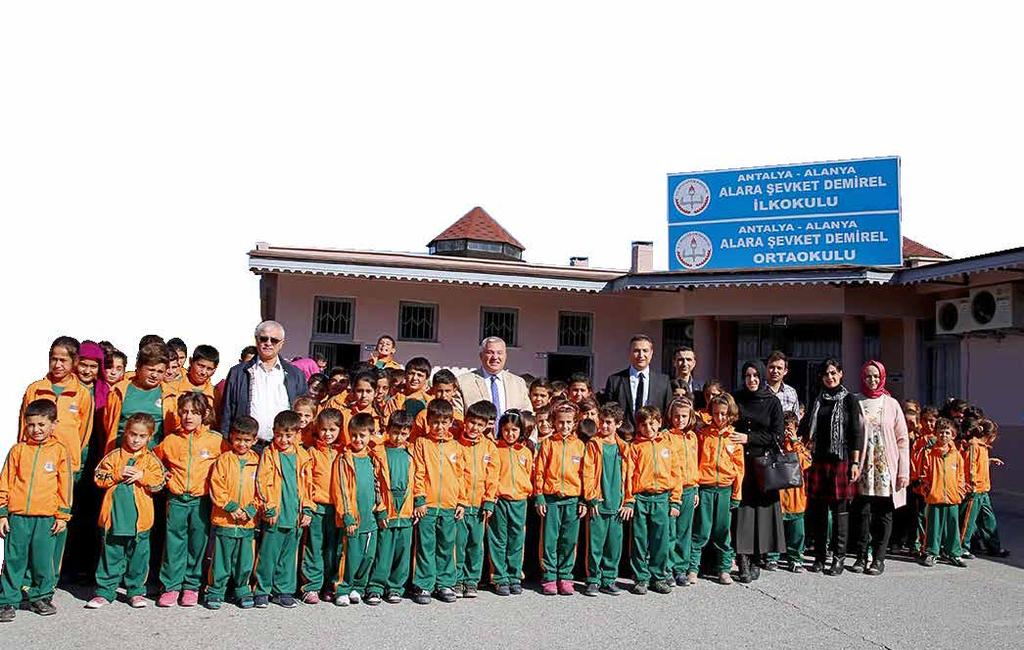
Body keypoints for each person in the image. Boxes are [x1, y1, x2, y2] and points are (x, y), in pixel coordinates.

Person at [0, 400, 72, 622]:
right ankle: (7, 600)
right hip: (18, 517)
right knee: (14, 560)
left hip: (46, 518)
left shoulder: (60, 451)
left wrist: (62, 515)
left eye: (42, 424)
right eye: (31, 425)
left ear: (53, 424)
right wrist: (2, 512)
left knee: (43, 560)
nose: (36, 429)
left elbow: (65, 486)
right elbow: (5, 482)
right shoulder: (17, 451)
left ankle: (41, 596)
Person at [87, 413, 165, 609]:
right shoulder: (113, 457)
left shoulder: (151, 460)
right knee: (111, 554)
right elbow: (99, 477)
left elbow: (160, 482)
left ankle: (136, 591)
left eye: (142, 436)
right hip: (114, 519)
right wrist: (117, 473)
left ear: (149, 437)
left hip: (140, 522)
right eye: (132, 434)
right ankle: (105, 590)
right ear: (125, 433)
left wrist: (142, 475)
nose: (136, 440)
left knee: (138, 557)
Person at [153, 393, 224, 607]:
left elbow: (230, 460)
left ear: (205, 414)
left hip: (201, 501)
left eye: (194, 412)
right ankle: (171, 586)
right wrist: (162, 474)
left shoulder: (216, 440)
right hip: (176, 499)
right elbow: (154, 460)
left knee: (197, 544)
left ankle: (191, 585)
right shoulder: (171, 440)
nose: (188, 417)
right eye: (184, 412)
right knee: (174, 543)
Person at [798, 358, 864, 576]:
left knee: (840, 512)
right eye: (826, 374)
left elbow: (855, 432)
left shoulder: (849, 400)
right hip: (818, 460)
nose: (830, 377)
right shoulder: (817, 399)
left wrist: (855, 463)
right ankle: (818, 556)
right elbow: (806, 427)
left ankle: (838, 557)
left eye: (834, 373)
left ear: (841, 374)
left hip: (841, 460)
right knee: (817, 511)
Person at [850, 360, 910, 576]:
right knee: (863, 512)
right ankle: (860, 555)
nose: (872, 380)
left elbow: (902, 439)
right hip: (863, 466)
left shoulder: (891, 404)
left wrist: (904, 471)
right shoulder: (855, 401)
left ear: (882, 377)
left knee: (884, 513)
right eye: (868, 376)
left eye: (876, 376)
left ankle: (879, 558)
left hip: (886, 466)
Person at [732, 360, 786, 582]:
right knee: (743, 512)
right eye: (747, 376)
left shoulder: (772, 402)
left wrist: (749, 438)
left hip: (763, 465)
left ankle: (757, 558)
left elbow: (777, 436)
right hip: (740, 465)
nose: (752, 380)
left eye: (755, 376)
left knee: (762, 513)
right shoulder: (737, 398)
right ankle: (742, 558)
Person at [254, 410, 314, 608]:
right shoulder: (270, 454)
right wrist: (268, 507)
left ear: (297, 434)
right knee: (268, 553)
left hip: (295, 513)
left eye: (288, 435)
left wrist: (307, 509)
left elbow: (308, 486)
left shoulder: (303, 456)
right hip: (276, 513)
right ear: (273, 432)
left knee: (289, 555)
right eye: (279, 434)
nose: (283, 439)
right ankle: (262, 589)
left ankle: (283, 590)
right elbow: (262, 482)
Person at [220, 321, 307, 449]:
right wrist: (226, 442)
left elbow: (303, 411)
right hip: (246, 448)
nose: (268, 343)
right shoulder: (238, 372)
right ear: (256, 340)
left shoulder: (295, 374)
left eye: (274, 340)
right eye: (264, 338)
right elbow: (227, 411)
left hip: (283, 449)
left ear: (282, 343)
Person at [411, 399, 463, 604]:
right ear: (427, 422)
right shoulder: (422, 444)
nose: (439, 427)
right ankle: (424, 584)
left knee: (446, 545)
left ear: (451, 422)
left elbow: (462, 476)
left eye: (443, 422)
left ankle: (445, 583)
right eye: (434, 422)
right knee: (426, 546)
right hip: (428, 505)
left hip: (450, 505)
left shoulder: (456, 446)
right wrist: (420, 499)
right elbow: (418, 472)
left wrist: (462, 501)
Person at [205, 416, 260, 610]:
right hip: (225, 519)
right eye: (238, 439)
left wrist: (251, 509)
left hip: (247, 521)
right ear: (231, 437)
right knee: (221, 557)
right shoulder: (223, 460)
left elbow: (264, 489)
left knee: (244, 558)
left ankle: (242, 588)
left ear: (254, 440)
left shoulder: (258, 462)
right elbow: (216, 486)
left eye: (247, 440)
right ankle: (216, 589)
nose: (242, 444)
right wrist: (231, 507)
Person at [625, 406, 681, 595]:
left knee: (661, 540)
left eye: (652, 423)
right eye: (644, 424)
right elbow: (629, 475)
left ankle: (658, 576)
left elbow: (676, 474)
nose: (648, 427)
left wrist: (675, 500)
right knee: (639, 540)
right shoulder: (635, 447)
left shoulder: (667, 446)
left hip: (662, 498)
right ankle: (641, 578)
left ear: (659, 423)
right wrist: (629, 499)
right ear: (638, 426)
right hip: (641, 498)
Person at [20, 336, 94, 481]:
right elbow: (23, 427)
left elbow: (84, 433)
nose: (57, 365)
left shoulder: (82, 393)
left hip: (66, 463)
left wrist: (71, 453)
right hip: (36, 459)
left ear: (75, 361)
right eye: (54, 359)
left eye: (63, 360)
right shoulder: (35, 389)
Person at [689, 394, 744, 585]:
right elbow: (695, 462)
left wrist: (736, 494)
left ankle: (724, 569)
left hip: (725, 490)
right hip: (705, 488)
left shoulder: (734, 438)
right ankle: (693, 568)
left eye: (723, 414)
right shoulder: (703, 435)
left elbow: (739, 469)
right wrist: (696, 487)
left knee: (722, 530)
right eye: (716, 414)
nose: (719, 418)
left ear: (730, 414)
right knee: (701, 529)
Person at [533, 401, 586, 596]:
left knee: (568, 540)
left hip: (572, 500)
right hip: (551, 500)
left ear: (575, 423)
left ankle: (565, 576)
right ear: (554, 422)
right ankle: (549, 576)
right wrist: (539, 496)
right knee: (549, 540)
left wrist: (583, 500)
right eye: (561, 422)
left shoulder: (580, 446)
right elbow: (539, 471)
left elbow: (585, 475)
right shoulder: (547, 444)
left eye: (569, 422)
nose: (564, 426)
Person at [367, 411, 416, 605]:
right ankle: (376, 586)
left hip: (406, 507)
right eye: (395, 432)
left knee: (402, 551)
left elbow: (418, 479)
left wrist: (418, 502)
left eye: (403, 433)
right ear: (387, 431)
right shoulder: (379, 453)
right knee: (383, 551)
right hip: (387, 507)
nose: (399, 438)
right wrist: (380, 507)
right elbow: (375, 483)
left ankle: (396, 587)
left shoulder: (411, 453)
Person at [332, 413, 380, 605]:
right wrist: (347, 516)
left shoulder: (373, 457)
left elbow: (379, 485)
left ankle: (358, 587)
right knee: (350, 555)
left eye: (362, 436)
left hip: (371, 518)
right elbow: (341, 489)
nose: (357, 440)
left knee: (367, 555)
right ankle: (342, 587)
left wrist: (381, 508)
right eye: (353, 435)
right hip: (353, 518)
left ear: (370, 435)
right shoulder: (344, 459)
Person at [582, 402, 629, 597]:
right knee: (595, 545)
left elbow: (630, 476)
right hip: (599, 504)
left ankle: (609, 579)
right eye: (602, 422)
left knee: (614, 545)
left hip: (617, 505)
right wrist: (591, 498)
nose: (604, 426)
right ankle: (593, 579)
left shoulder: (624, 447)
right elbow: (588, 472)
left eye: (609, 422)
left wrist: (628, 500)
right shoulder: (594, 444)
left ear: (618, 424)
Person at [454, 401, 498, 598]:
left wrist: (489, 500)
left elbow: (493, 476)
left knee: (475, 544)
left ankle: (472, 580)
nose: (474, 428)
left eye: (480, 425)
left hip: (480, 505)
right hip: (461, 505)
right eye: (472, 423)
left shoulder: (489, 447)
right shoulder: (456, 444)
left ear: (486, 426)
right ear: (465, 421)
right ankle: (457, 579)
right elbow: (454, 475)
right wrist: (459, 500)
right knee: (459, 543)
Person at [299, 408, 343, 604]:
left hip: (338, 509)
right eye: (324, 429)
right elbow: (307, 483)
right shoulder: (312, 453)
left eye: (333, 430)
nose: (328, 434)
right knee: (315, 547)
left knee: (334, 549)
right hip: (318, 507)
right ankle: (312, 586)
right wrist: (308, 507)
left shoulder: (343, 453)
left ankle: (330, 585)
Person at [489, 410, 534, 596]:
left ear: (520, 430)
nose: (510, 433)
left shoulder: (525, 451)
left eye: (514, 430)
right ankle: (499, 577)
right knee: (499, 539)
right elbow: (491, 475)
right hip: (501, 500)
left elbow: (529, 475)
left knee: (516, 540)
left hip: (520, 501)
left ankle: (514, 575)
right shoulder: (495, 449)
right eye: (506, 429)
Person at [104, 343, 174, 452]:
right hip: (119, 458)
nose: (154, 375)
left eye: (160, 371)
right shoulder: (118, 392)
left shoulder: (171, 396)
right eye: (151, 370)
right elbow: (107, 423)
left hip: (153, 461)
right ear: (139, 367)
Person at [919, 418, 967, 568]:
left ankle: (954, 553)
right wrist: (927, 490)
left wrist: (960, 491)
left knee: (953, 526)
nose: (944, 435)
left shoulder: (956, 455)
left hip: (952, 497)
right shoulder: (930, 453)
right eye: (941, 432)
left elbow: (961, 475)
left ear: (953, 435)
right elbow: (924, 475)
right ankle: (931, 552)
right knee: (933, 526)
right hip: (935, 496)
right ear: (936, 434)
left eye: (947, 433)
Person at [960, 419, 1009, 558]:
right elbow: (970, 465)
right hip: (975, 490)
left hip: (983, 489)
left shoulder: (983, 447)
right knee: (968, 521)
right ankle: (962, 547)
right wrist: (973, 483)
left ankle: (993, 547)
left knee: (989, 520)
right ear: (990, 435)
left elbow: (979, 462)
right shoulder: (973, 445)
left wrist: (989, 461)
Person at [603, 335, 672, 428]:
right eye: (636, 351)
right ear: (630, 353)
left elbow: (667, 413)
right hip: (624, 436)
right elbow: (609, 412)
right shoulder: (615, 380)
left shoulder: (663, 381)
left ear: (651, 353)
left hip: (652, 437)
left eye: (645, 351)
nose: (641, 355)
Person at [666, 397, 700, 587]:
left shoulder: (692, 437)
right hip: (672, 491)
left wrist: (695, 488)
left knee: (684, 532)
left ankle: (681, 568)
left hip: (689, 490)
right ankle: (667, 568)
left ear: (690, 417)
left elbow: (694, 463)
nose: (680, 420)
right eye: (676, 416)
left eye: (684, 416)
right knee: (670, 532)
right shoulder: (666, 436)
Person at [458, 337, 531, 416]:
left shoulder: (518, 383)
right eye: (490, 352)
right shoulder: (463, 382)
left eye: (499, 353)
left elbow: (527, 415)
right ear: (481, 356)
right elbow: (458, 416)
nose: (495, 357)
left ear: (505, 356)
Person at [778, 411, 812, 572]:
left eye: (790, 428)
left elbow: (805, 463)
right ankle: (772, 556)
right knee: (776, 527)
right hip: (779, 494)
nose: (787, 431)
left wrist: (794, 442)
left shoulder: (800, 446)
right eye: (784, 428)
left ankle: (795, 558)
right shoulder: (777, 444)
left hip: (796, 496)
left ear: (796, 428)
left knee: (797, 530)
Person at [165, 344, 219, 432]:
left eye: (209, 369)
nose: (203, 372)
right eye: (200, 366)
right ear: (190, 361)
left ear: (214, 369)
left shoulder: (215, 394)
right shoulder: (172, 388)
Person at [765, 351, 802, 418]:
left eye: (779, 368)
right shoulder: (759, 390)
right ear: (766, 368)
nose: (775, 371)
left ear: (785, 371)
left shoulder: (791, 393)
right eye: (772, 367)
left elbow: (795, 421)